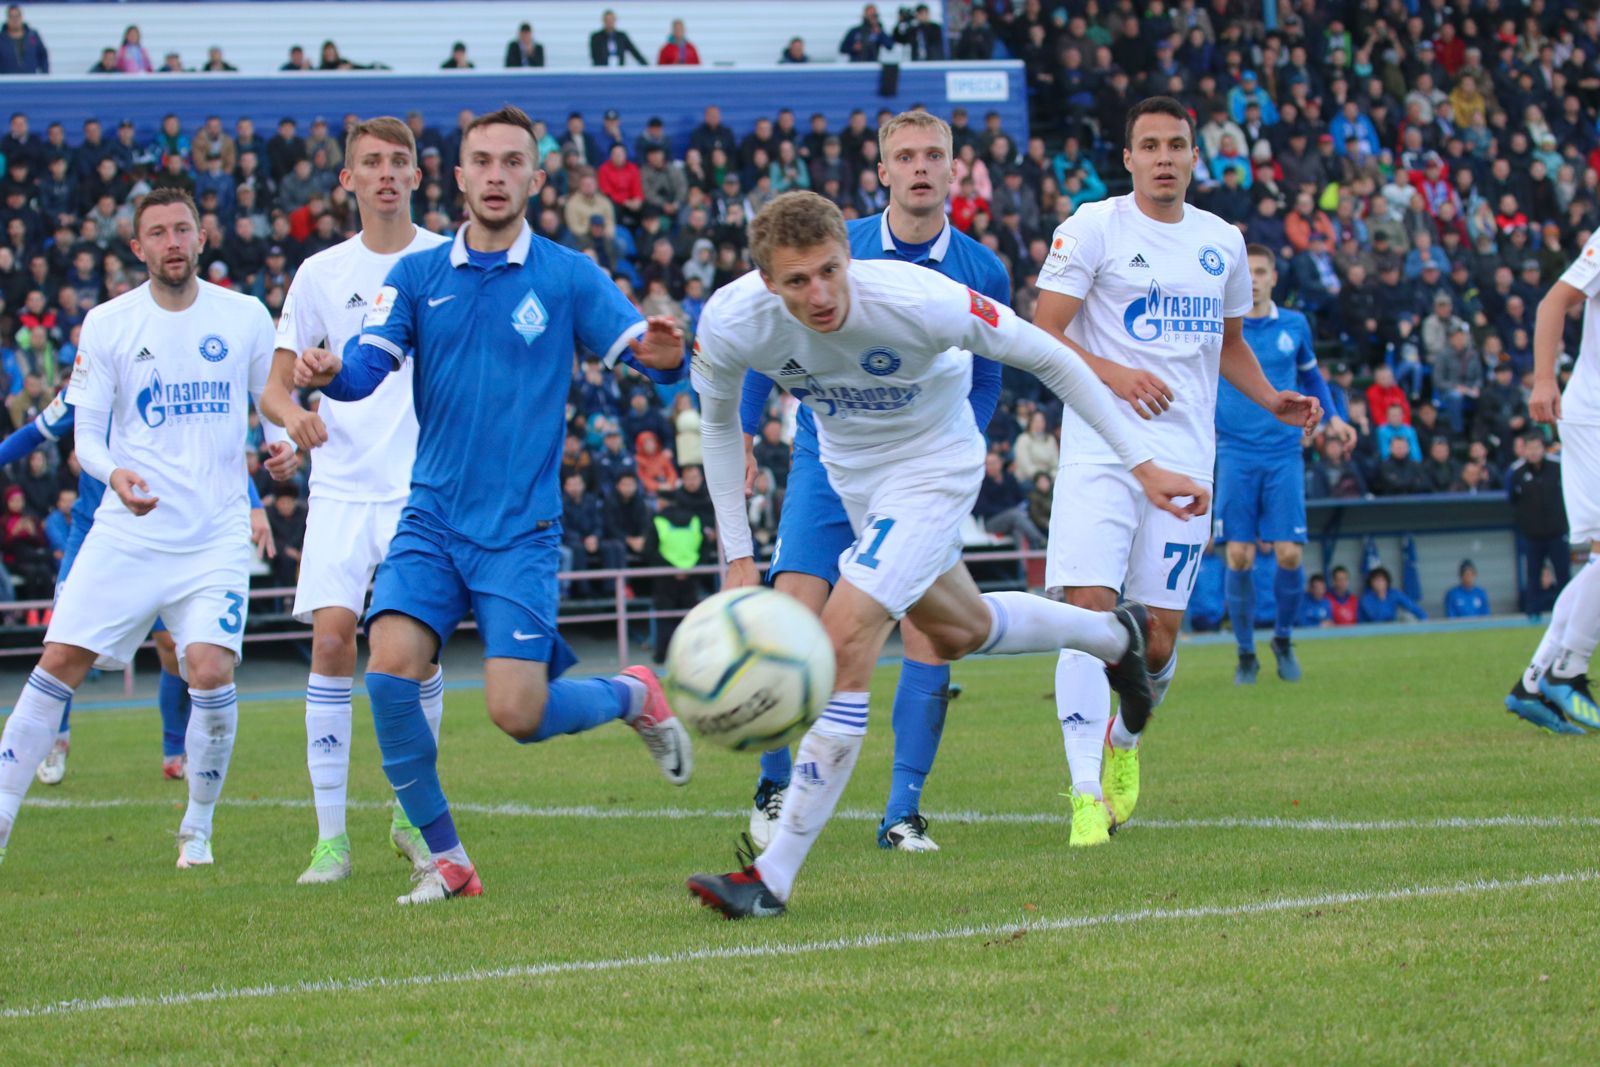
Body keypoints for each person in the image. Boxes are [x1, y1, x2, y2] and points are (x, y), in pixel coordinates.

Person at [683, 190, 1204, 919]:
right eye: (798, 281)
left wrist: (1143, 466)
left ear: (849, 257)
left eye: (831, 271)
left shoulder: (918, 300)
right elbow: (715, 427)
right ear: (767, 281)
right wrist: (738, 557)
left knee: (843, 634)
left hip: (934, 468)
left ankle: (771, 876)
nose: (821, 294)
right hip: (854, 477)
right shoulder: (733, 319)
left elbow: (1049, 357)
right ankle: (1116, 637)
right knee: (961, 629)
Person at [292, 106, 689, 906]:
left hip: (520, 533)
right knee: (388, 671)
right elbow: (366, 370)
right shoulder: (416, 276)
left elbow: (648, 357)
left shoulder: (569, 276)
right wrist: (331, 373)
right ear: (460, 176)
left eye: (513, 162)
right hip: (432, 520)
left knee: (517, 711)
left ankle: (631, 693)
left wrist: (669, 356)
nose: (497, 175)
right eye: (483, 161)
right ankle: (448, 860)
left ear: (536, 178)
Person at [1032, 97, 1320, 844]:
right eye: (1150, 145)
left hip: (1187, 460)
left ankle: (1125, 741)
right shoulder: (1093, 226)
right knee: (1088, 614)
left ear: (1195, 156)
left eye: (1177, 145)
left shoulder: (1221, 241)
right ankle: (1084, 794)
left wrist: (1272, 398)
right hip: (1100, 452)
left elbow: (1228, 343)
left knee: (1157, 638)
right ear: (1128, 158)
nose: (1164, 157)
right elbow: (1045, 329)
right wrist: (1116, 375)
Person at [735, 111, 1010, 854]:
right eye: (905, 156)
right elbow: (764, 341)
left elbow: (988, 375)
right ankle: (773, 783)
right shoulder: (838, 244)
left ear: (954, 169)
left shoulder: (982, 268)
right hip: (831, 459)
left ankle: (902, 813)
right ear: (882, 171)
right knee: (794, 616)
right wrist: (742, 431)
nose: (920, 167)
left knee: (930, 628)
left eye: (934, 155)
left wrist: (959, 449)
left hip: (919, 471)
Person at [0, 189, 277, 871]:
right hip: (128, 530)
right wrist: (115, 474)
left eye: (183, 229)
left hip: (213, 536)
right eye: (158, 232)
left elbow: (271, 405)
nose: (172, 242)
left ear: (202, 238)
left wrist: (282, 445)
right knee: (58, 662)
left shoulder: (245, 315)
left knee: (208, 668)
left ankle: (197, 828)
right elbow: (85, 437)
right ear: (137, 247)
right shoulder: (107, 323)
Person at [260, 116, 454, 886]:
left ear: (416, 176)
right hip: (341, 486)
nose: (385, 173)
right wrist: (295, 419)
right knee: (333, 643)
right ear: (348, 179)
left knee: (414, 655)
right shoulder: (319, 272)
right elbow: (275, 388)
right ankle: (330, 841)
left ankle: (411, 814)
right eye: (370, 162)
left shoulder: (445, 259)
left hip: (421, 486)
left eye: (398, 161)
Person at [1218, 244, 1348, 686]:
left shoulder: (1295, 324)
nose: (1254, 280)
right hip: (1234, 451)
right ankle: (1244, 653)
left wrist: (1333, 418)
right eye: (1248, 272)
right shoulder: (1221, 326)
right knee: (1238, 555)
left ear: (1273, 277)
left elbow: (1311, 376)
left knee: (1290, 553)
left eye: (1260, 271)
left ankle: (1284, 639)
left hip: (1283, 452)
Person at [1507, 228, 1600, 734]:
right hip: (1593, 416)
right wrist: (1544, 379)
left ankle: (1533, 683)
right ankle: (1566, 670)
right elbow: (1552, 303)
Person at [1357, 566, 1427, 622]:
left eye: (1382, 580)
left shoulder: (1394, 594)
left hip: (1392, 628)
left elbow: (1412, 606)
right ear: (1371, 583)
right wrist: (1381, 597)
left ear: (1387, 581)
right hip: (1370, 630)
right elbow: (1377, 618)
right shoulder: (1366, 599)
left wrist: (1424, 619)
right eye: (1376, 580)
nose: (1379, 583)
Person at [0, 5, 48, 75]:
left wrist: (45, 76)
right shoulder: (1, 39)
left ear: (21, 17)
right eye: (12, 17)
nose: (15, 20)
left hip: (30, 79)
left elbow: (43, 56)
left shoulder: (32, 36)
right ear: (7, 18)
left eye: (17, 16)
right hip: (7, 79)